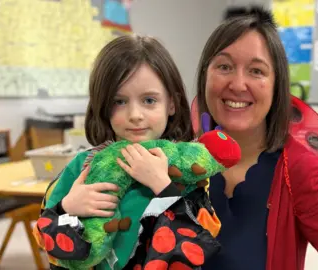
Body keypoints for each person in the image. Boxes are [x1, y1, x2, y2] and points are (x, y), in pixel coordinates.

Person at [194, 6, 318, 270]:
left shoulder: (299, 170)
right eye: (224, 66)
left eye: (256, 71)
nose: (238, 84)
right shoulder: (183, 161)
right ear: (205, 76)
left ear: (277, 86)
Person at [32, 34, 207, 269]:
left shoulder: (188, 167)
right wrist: (67, 209)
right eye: (119, 101)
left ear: (172, 104)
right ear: (102, 105)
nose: (135, 115)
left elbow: (199, 242)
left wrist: (163, 187)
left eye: (149, 100)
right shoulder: (82, 166)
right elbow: (49, 241)